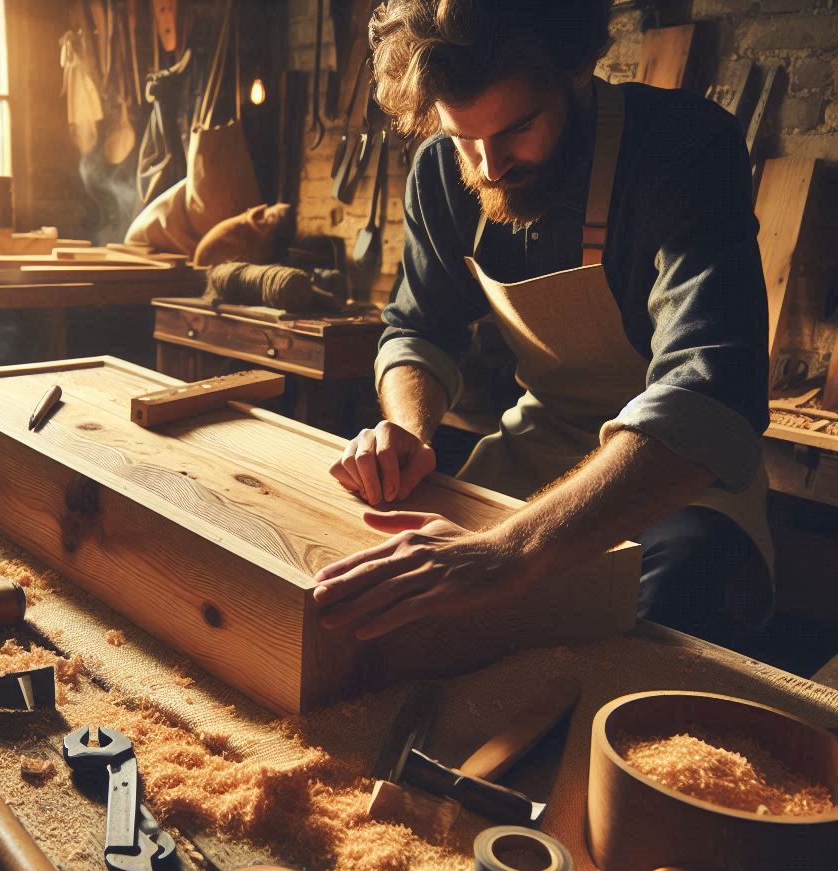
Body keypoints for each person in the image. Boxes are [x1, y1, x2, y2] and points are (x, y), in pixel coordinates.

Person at [312, 0, 773, 648]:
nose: (490, 166)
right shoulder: (444, 173)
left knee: (660, 612)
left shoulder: (684, 148)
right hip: (541, 442)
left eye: (517, 128)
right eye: (463, 136)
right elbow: (418, 328)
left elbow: (710, 392)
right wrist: (406, 432)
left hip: (676, 478)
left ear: (576, 70)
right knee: (399, 590)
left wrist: (511, 551)